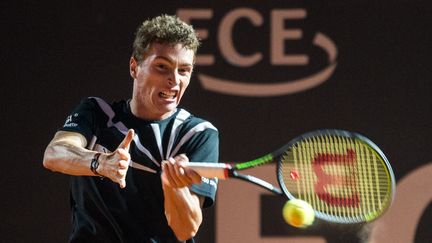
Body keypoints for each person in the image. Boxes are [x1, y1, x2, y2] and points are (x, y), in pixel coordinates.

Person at [43, 14, 219, 243]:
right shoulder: (97, 112)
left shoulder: (197, 134)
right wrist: (101, 163)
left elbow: (186, 229)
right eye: (162, 67)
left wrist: (173, 187)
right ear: (134, 67)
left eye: (184, 70)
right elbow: (54, 154)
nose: (174, 80)